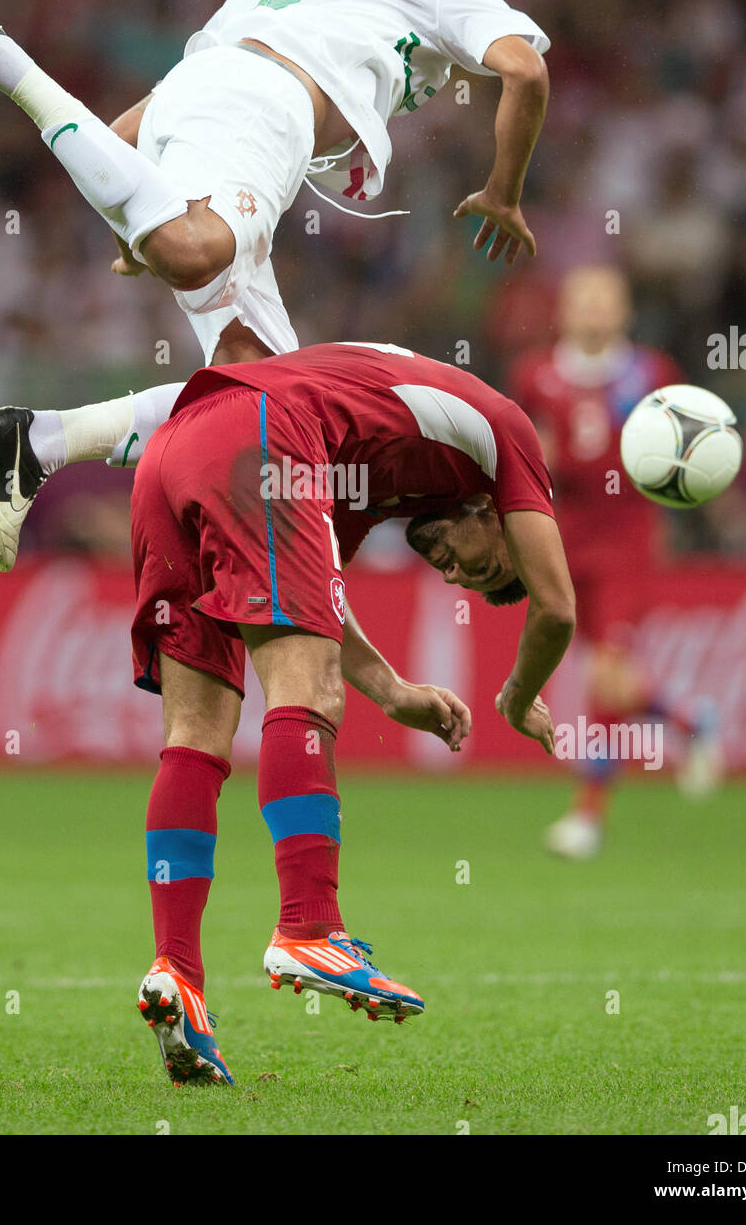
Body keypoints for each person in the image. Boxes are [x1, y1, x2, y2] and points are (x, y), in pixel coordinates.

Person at [0, 0, 550, 569]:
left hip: (203, 104)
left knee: (263, 399)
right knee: (192, 252)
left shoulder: (279, 1)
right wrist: (504, 192)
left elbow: (126, 130)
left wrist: (132, 224)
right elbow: (524, 70)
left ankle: (37, 442)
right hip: (264, 110)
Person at [122, 339, 574, 1085]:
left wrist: (393, 690)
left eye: (463, 580)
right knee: (309, 684)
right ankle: (308, 926)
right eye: (481, 561)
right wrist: (518, 701)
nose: (455, 571)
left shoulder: (375, 477)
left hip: (172, 449)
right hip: (259, 430)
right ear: (498, 515)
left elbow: (318, 599)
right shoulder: (507, 439)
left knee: (197, 731)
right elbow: (556, 608)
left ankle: (178, 976)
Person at [509, 265, 723, 859]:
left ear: (625, 312)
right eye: (584, 300)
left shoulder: (655, 376)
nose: (595, 311)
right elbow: (524, 451)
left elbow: (688, 455)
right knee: (608, 676)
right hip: (559, 540)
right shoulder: (536, 375)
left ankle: (588, 817)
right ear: (565, 310)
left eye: (607, 301)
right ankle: (690, 720)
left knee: (606, 676)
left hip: (627, 538)